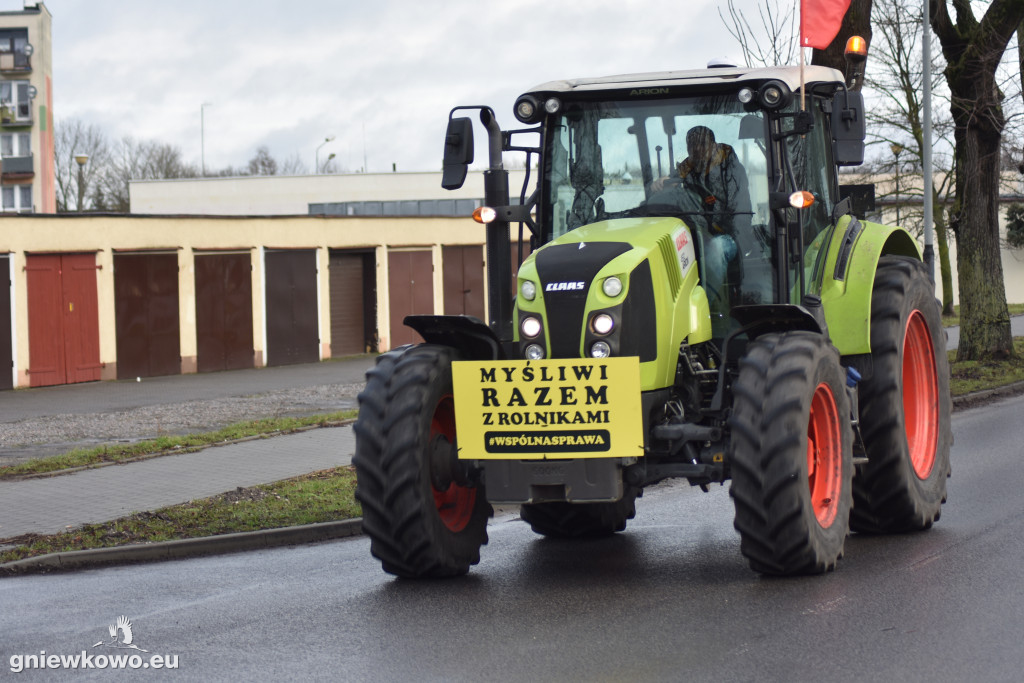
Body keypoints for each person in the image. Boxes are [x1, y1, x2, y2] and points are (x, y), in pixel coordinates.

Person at [650, 126, 752, 307]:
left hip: (730, 236)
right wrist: (660, 183)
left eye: (701, 145)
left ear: (713, 145)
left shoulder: (732, 170)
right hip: (698, 235)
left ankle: (702, 307)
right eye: (692, 146)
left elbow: (738, 213)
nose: (696, 150)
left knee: (717, 248)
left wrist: (723, 232)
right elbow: (672, 182)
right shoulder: (688, 170)